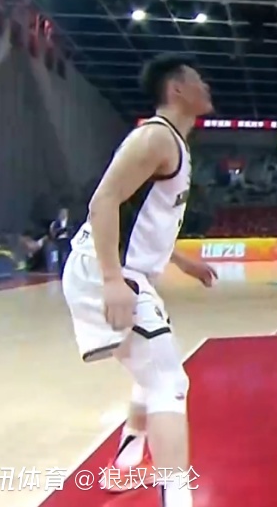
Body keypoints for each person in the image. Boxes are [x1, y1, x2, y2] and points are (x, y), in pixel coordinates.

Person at [62, 53, 219, 505]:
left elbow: (144, 219)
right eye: (198, 79)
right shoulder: (156, 137)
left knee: (149, 368)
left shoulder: (173, 143)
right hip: (108, 270)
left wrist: (182, 261)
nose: (207, 86)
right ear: (177, 89)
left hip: (125, 272)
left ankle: (126, 464)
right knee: (169, 382)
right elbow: (103, 201)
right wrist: (113, 280)